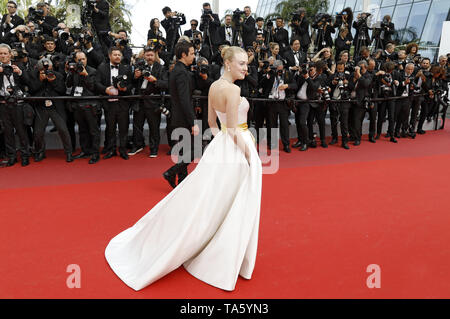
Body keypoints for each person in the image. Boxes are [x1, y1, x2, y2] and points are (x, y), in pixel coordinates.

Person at [105, 45, 262, 292]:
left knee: (211, 199)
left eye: (247, 64)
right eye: (242, 63)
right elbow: (233, 128)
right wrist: (248, 154)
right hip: (236, 146)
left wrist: (224, 143)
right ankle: (219, 253)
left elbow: (212, 122)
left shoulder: (213, 86)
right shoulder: (232, 90)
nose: (246, 68)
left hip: (221, 145)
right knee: (234, 203)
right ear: (229, 64)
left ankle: (204, 239)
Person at [162, 41, 198, 188]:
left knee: (185, 152)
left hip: (177, 116)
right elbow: (184, 100)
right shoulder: (181, 72)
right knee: (194, 151)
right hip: (183, 118)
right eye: (192, 53)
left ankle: (182, 182)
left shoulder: (177, 69)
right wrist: (193, 122)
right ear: (183, 55)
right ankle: (171, 173)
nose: (194, 56)